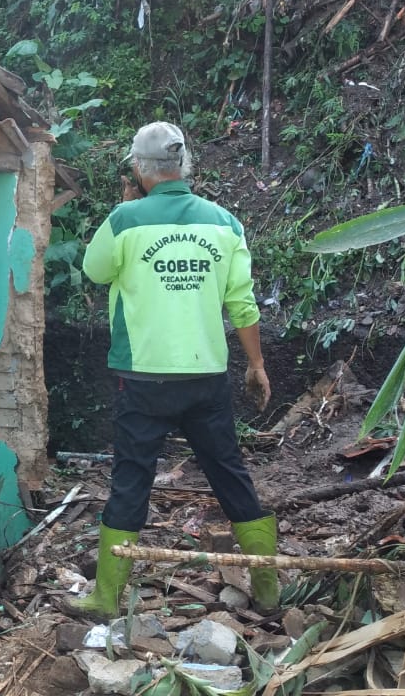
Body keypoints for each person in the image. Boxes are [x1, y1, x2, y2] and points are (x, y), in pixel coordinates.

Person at [71, 121, 278, 620]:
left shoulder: (124, 221)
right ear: (184, 165)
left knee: (130, 480)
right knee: (230, 474)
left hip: (142, 381)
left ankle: (105, 598)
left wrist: (127, 204)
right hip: (206, 378)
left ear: (139, 169)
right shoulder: (225, 223)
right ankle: (269, 590)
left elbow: (95, 272)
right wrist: (256, 364)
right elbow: (242, 305)